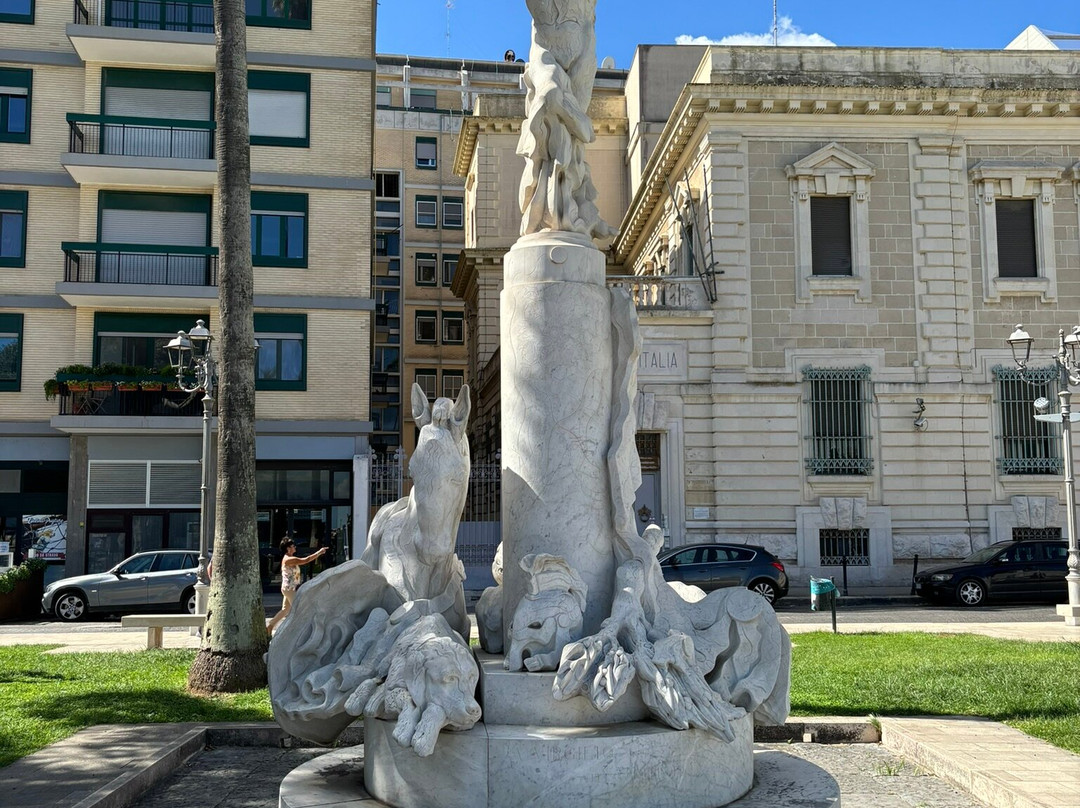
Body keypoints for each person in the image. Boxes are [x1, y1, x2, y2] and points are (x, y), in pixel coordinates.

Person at [267, 539, 326, 636]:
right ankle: (294, 632)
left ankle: (270, 626)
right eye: (293, 546)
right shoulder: (288, 559)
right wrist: (319, 553)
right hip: (289, 589)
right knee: (299, 610)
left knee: (285, 610)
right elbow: (306, 560)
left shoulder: (289, 558)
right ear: (288, 548)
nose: (295, 547)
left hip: (288, 588)